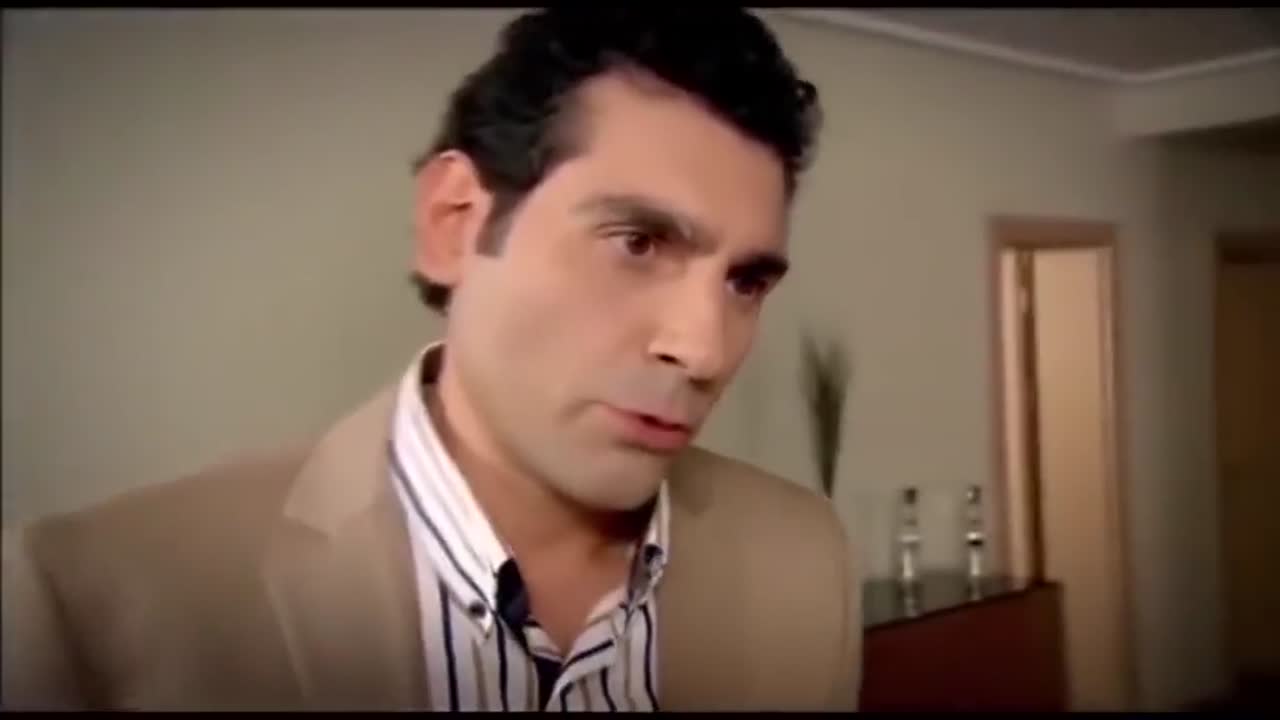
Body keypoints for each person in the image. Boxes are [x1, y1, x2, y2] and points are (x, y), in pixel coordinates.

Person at [2, 6, 861, 711]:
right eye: (637, 242)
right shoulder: (91, 604)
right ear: (456, 222)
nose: (704, 349)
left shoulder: (803, 561)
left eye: (746, 282)